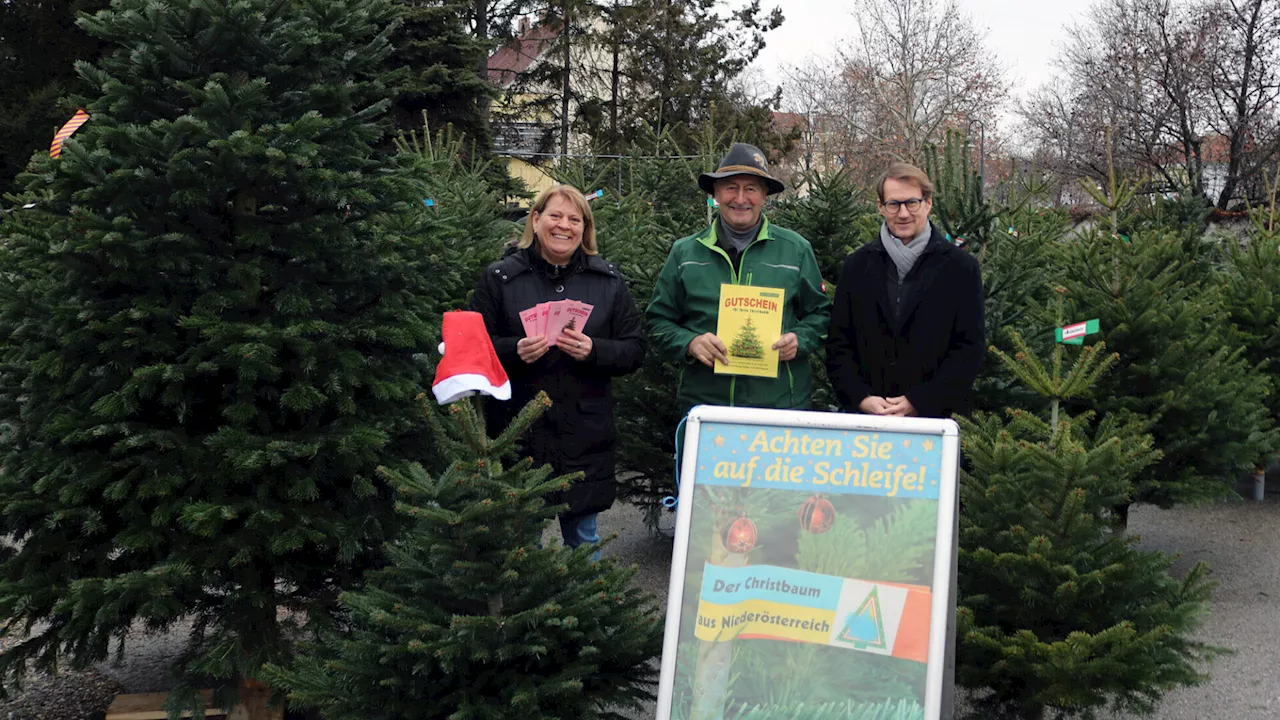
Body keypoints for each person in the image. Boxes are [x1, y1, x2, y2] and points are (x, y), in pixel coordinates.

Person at [470, 184, 646, 550]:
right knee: (521, 541)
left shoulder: (608, 282)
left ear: (585, 228)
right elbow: (475, 349)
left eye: (574, 219)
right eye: (554, 215)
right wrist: (514, 350)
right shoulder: (500, 278)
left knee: (584, 538)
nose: (563, 225)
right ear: (535, 220)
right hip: (518, 430)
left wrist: (593, 350)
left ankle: (587, 609)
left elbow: (635, 349)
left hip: (584, 432)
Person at [646, 142, 831, 413]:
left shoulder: (796, 250)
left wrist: (799, 340)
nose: (741, 198)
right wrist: (690, 343)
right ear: (717, 193)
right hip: (706, 407)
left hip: (780, 406)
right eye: (731, 187)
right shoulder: (685, 253)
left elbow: (822, 316)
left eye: (751, 189)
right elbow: (657, 322)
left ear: (765, 196)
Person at [826, 161, 984, 418]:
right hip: (868, 418)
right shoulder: (857, 266)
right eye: (893, 204)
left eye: (912, 203)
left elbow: (969, 348)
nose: (903, 214)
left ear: (928, 203)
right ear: (880, 207)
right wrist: (861, 397)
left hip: (933, 417)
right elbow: (839, 343)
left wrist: (920, 401)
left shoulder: (960, 268)